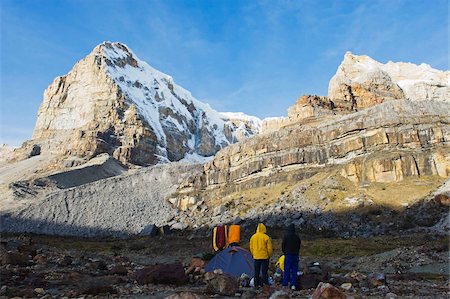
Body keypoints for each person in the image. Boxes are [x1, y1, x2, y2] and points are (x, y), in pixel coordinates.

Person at [249, 223, 273, 288]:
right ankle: (265, 284)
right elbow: (269, 248)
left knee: (256, 271)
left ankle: (256, 285)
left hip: (256, 257)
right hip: (265, 257)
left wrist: (253, 254)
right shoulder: (266, 237)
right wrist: (269, 255)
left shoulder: (253, 237)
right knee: (264, 271)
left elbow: (251, 247)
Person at [282, 224, 301, 290]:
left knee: (286, 269)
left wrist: (284, 252)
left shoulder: (286, 236)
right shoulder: (297, 237)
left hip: (288, 255)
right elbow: (299, 245)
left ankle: (285, 284)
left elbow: (283, 245)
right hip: (295, 255)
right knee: (294, 270)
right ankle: (293, 284)